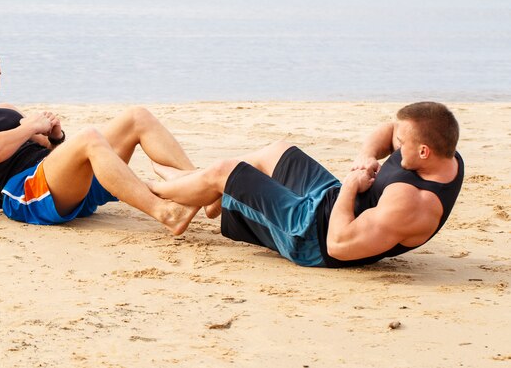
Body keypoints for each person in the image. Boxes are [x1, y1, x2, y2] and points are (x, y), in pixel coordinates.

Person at [149, 102, 464, 268]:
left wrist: (351, 187)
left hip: (313, 235)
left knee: (225, 171)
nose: (397, 144)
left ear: (423, 151)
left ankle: (162, 196)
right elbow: (392, 128)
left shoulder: (410, 205)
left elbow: (337, 244)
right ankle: (202, 192)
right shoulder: (441, 152)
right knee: (277, 150)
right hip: (328, 200)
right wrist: (365, 155)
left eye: (403, 144)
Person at [0, 44, 198, 234]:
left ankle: (199, 186)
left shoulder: (7, 110)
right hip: (25, 193)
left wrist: (56, 136)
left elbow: (51, 149)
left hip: (60, 183)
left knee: (137, 116)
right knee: (90, 137)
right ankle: (167, 214)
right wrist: (30, 126)